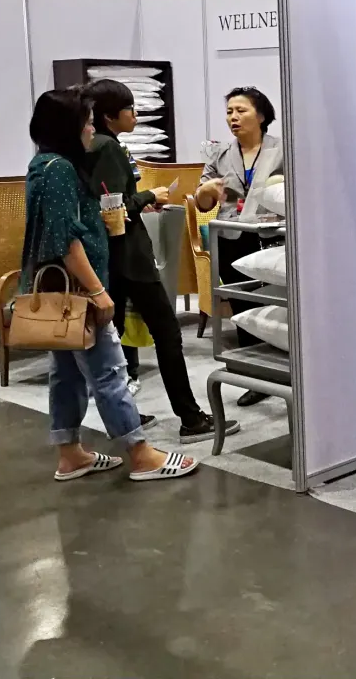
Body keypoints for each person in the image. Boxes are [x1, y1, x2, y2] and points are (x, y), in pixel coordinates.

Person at [23, 88, 198, 483]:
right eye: (86, 123)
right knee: (109, 371)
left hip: (60, 289)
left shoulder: (43, 164)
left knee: (66, 372)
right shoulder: (60, 170)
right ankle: (140, 454)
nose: (91, 129)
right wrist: (97, 291)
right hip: (79, 289)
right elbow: (65, 240)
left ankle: (70, 453)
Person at [84, 79, 238, 444]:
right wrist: (148, 196)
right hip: (130, 259)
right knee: (167, 334)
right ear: (110, 115)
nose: (136, 114)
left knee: (111, 338)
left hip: (112, 259)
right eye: (130, 109)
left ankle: (124, 416)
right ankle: (191, 418)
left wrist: (140, 202)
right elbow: (113, 209)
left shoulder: (95, 145)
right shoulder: (108, 147)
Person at [195, 87, 285, 408]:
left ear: (261, 116)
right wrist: (207, 191)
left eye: (241, 111)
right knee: (241, 304)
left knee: (275, 304)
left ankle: (282, 367)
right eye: (229, 111)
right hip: (232, 236)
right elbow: (202, 203)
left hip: (273, 238)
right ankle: (254, 373)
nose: (233, 117)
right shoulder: (220, 155)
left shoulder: (283, 149)